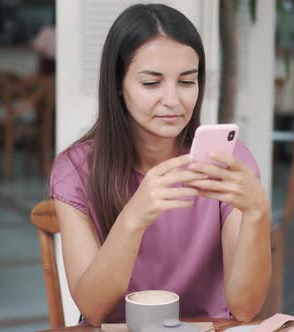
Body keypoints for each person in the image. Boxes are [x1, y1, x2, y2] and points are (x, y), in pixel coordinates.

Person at [49, 3, 271, 326]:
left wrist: (257, 214)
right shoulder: (75, 171)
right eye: (151, 83)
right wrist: (134, 217)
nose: (172, 100)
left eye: (186, 81)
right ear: (117, 86)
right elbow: (93, 310)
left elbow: (246, 308)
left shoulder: (229, 163)